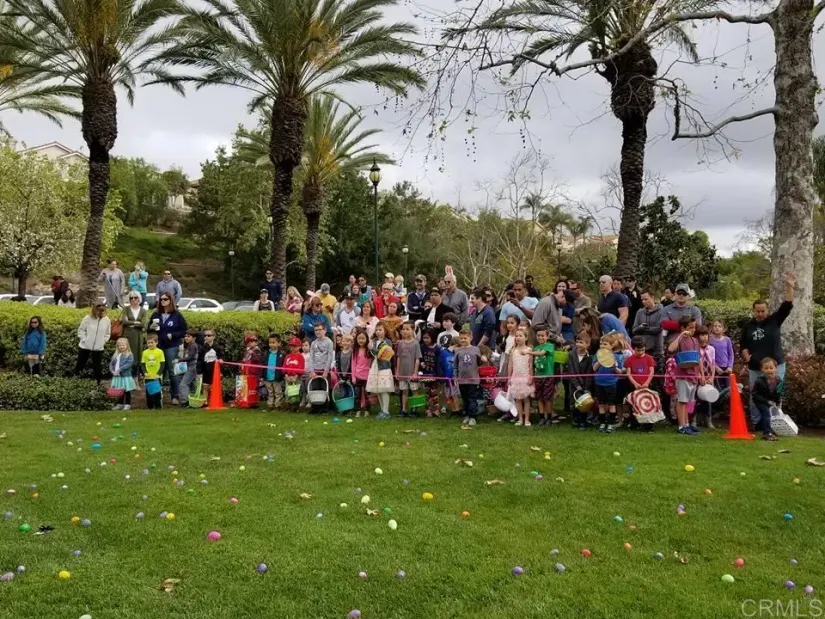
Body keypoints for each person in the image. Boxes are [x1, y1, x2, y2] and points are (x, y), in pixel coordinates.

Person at [741, 273, 796, 417]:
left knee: (776, 394)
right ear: (753, 311)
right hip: (755, 366)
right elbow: (743, 344)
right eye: (757, 311)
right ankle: (757, 422)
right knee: (755, 395)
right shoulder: (748, 326)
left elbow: (787, 305)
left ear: (767, 310)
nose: (760, 314)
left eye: (763, 311)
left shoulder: (774, 320)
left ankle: (775, 421)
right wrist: (746, 356)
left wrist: (789, 287)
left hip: (776, 364)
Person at [148, 293, 188, 404]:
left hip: (172, 346)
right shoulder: (156, 314)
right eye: (161, 299)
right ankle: (156, 396)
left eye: (165, 299)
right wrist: (150, 327)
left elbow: (184, 331)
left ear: (170, 300)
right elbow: (148, 329)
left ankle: (175, 396)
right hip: (158, 346)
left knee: (172, 371)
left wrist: (173, 335)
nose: (163, 301)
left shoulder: (177, 315)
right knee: (157, 370)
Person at [668, 315, 700, 436]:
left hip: (693, 375)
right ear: (683, 328)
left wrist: (700, 374)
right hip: (682, 375)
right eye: (690, 327)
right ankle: (681, 426)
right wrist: (681, 335)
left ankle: (687, 424)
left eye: (694, 327)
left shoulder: (695, 341)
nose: (693, 330)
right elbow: (671, 349)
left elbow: (699, 358)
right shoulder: (679, 339)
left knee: (688, 402)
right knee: (682, 401)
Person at [454, 329, 487, 426]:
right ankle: (467, 415)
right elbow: (455, 365)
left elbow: (479, 363)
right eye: (461, 338)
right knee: (465, 399)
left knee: (472, 398)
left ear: (470, 338)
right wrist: (455, 377)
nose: (463, 340)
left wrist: (483, 359)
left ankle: (473, 416)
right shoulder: (457, 350)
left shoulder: (476, 349)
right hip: (462, 380)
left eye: (465, 338)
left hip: (473, 380)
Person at [74, 303, 111, 384]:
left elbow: (107, 333)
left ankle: (98, 383)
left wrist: (103, 341)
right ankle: (76, 381)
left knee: (97, 366)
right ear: (95, 310)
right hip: (85, 346)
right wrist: (85, 340)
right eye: (99, 311)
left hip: (98, 347)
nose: (101, 313)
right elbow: (81, 330)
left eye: (102, 311)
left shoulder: (107, 320)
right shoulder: (87, 318)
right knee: (80, 364)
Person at [507, 328, 534, 426]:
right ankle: (520, 419)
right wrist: (509, 377)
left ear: (526, 338)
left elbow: (531, 365)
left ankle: (527, 419)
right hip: (516, 378)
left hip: (525, 377)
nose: (518, 338)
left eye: (520, 336)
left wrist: (531, 377)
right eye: (517, 336)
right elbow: (510, 365)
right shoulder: (513, 350)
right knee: (518, 399)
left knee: (526, 399)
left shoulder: (529, 350)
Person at [367, 323, 395, 419]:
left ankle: (386, 411)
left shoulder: (388, 342)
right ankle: (382, 410)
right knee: (378, 389)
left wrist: (373, 349)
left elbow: (384, 356)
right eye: (377, 330)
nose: (378, 332)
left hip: (384, 368)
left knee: (384, 389)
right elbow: (372, 355)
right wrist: (370, 348)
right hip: (375, 366)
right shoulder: (374, 341)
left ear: (385, 331)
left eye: (380, 330)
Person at [529, 325, 556, 426]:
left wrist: (528, 352)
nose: (540, 337)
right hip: (538, 376)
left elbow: (541, 353)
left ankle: (549, 417)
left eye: (542, 335)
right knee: (539, 397)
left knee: (548, 398)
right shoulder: (536, 348)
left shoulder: (549, 346)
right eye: (538, 335)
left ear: (547, 336)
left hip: (547, 376)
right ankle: (541, 417)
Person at [752, 357, 783, 441]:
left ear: (776, 368)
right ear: (762, 369)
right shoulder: (759, 381)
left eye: (771, 368)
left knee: (765, 415)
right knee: (766, 413)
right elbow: (755, 394)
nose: (769, 370)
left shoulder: (779, 381)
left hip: (771, 401)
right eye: (766, 368)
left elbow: (779, 393)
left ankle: (758, 427)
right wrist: (767, 401)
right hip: (759, 400)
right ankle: (767, 433)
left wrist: (778, 403)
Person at [567, 332, 593, 429]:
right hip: (574, 385)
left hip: (585, 385)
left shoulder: (590, 357)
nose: (578, 344)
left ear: (587, 344)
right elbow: (571, 372)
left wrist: (586, 387)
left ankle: (583, 421)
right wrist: (577, 385)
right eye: (577, 342)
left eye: (581, 342)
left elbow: (589, 374)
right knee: (574, 402)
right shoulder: (571, 355)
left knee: (585, 402)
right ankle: (575, 420)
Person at [395, 321, 422, 417]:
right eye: (403, 329)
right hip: (403, 372)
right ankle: (404, 409)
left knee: (414, 390)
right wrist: (397, 371)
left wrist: (415, 373)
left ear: (413, 330)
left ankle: (415, 409)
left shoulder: (415, 343)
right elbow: (399, 357)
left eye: (407, 329)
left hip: (412, 373)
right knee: (404, 391)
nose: (405, 331)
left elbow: (417, 359)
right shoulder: (400, 343)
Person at [120, 291, 147, 374]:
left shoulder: (143, 310)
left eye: (135, 297)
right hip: (127, 336)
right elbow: (124, 321)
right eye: (131, 298)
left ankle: (136, 376)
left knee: (137, 357)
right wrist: (136, 322)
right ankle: (126, 376)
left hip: (138, 336)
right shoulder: (126, 309)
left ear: (139, 299)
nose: (133, 299)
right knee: (126, 355)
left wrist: (131, 323)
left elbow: (143, 324)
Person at [109, 337, 137, 410]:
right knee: (119, 390)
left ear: (127, 345)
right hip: (118, 376)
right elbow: (111, 364)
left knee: (127, 390)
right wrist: (113, 371)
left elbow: (129, 364)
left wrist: (120, 369)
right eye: (120, 345)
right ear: (117, 346)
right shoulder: (116, 355)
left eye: (123, 345)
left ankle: (127, 404)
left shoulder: (129, 355)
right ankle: (120, 404)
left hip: (126, 376)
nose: (121, 347)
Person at [419, 328, 442, 417]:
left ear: (433, 337)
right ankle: (428, 410)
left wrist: (439, 376)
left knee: (434, 392)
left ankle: (436, 409)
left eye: (427, 338)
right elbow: (420, 358)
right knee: (427, 393)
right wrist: (421, 364)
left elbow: (439, 363)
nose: (425, 340)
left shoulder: (437, 349)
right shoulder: (422, 347)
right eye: (424, 338)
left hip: (434, 374)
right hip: (425, 374)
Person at [175, 329, 200, 406]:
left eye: (188, 336)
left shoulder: (193, 345)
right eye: (185, 336)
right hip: (191, 367)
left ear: (194, 338)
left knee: (183, 384)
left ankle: (185, 401)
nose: (186, 338)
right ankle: (192, 401)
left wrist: (179, 360)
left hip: (192, 368)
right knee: (191, 385)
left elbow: (190, 357)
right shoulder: (190, 345)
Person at [198, 329, 223, 403]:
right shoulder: (202, 348)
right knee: (205, 386)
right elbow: (200, 360)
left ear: (213, 337)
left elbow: (221, 356)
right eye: (205, 335)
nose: (206, 337)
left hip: (215, 370)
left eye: (208, 335)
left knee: (215, 386)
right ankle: (205, 402)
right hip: (205, 369)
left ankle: (215, 401)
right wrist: (199, 371)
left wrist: (221, 359)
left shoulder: (217, 347)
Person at [141, 334, 165, 409]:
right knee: (149, 393)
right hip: (148, 377)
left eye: (152, 342)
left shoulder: (160, 352)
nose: (150, 344)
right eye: (148, 343)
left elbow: (162, 364)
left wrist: (158, 374)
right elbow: (143, 364)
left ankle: (158, 406)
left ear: (156, 342)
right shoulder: (145, 352)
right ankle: (150, 407)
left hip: (157, 377)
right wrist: (145, 373)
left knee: (157, 392)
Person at [352, 330, 372, 417]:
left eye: (363, 338)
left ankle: (367, 410)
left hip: (368, 376)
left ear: (367, 339)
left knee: (367, 395)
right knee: (357, 395)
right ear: (356, 339)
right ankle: (358, 410)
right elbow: (353, 364)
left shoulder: (369, 350)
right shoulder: (355, 350)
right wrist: (353, 377)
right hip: (357, 376)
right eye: (359, 338)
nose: (361, 340)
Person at [283, 337, 306, 410]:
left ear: (299, 347)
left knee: (295, 392)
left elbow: (301, 368)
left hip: (296, 377)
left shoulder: (300, 357)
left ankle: (295, 406)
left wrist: (296, 375)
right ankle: (288, 405)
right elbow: (284, 367)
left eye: (295, 346)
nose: (292, 348)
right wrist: (286, 375)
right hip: (288, 377)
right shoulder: (287, 356)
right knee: (287, 391)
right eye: (291, 346)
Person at [263, 333, 284, 409]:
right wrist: (262, 376)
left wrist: (282, 375)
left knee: (278, 392)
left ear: (279, 343)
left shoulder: (281, 354)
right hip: (267, 377)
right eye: (270, 343)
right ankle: (270, 405)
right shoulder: (266, 353)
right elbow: (263, 365)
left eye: (273, 342)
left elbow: (283, 366)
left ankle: (278, 405)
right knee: (270, 392)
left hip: (277, 377)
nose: (271, 344)